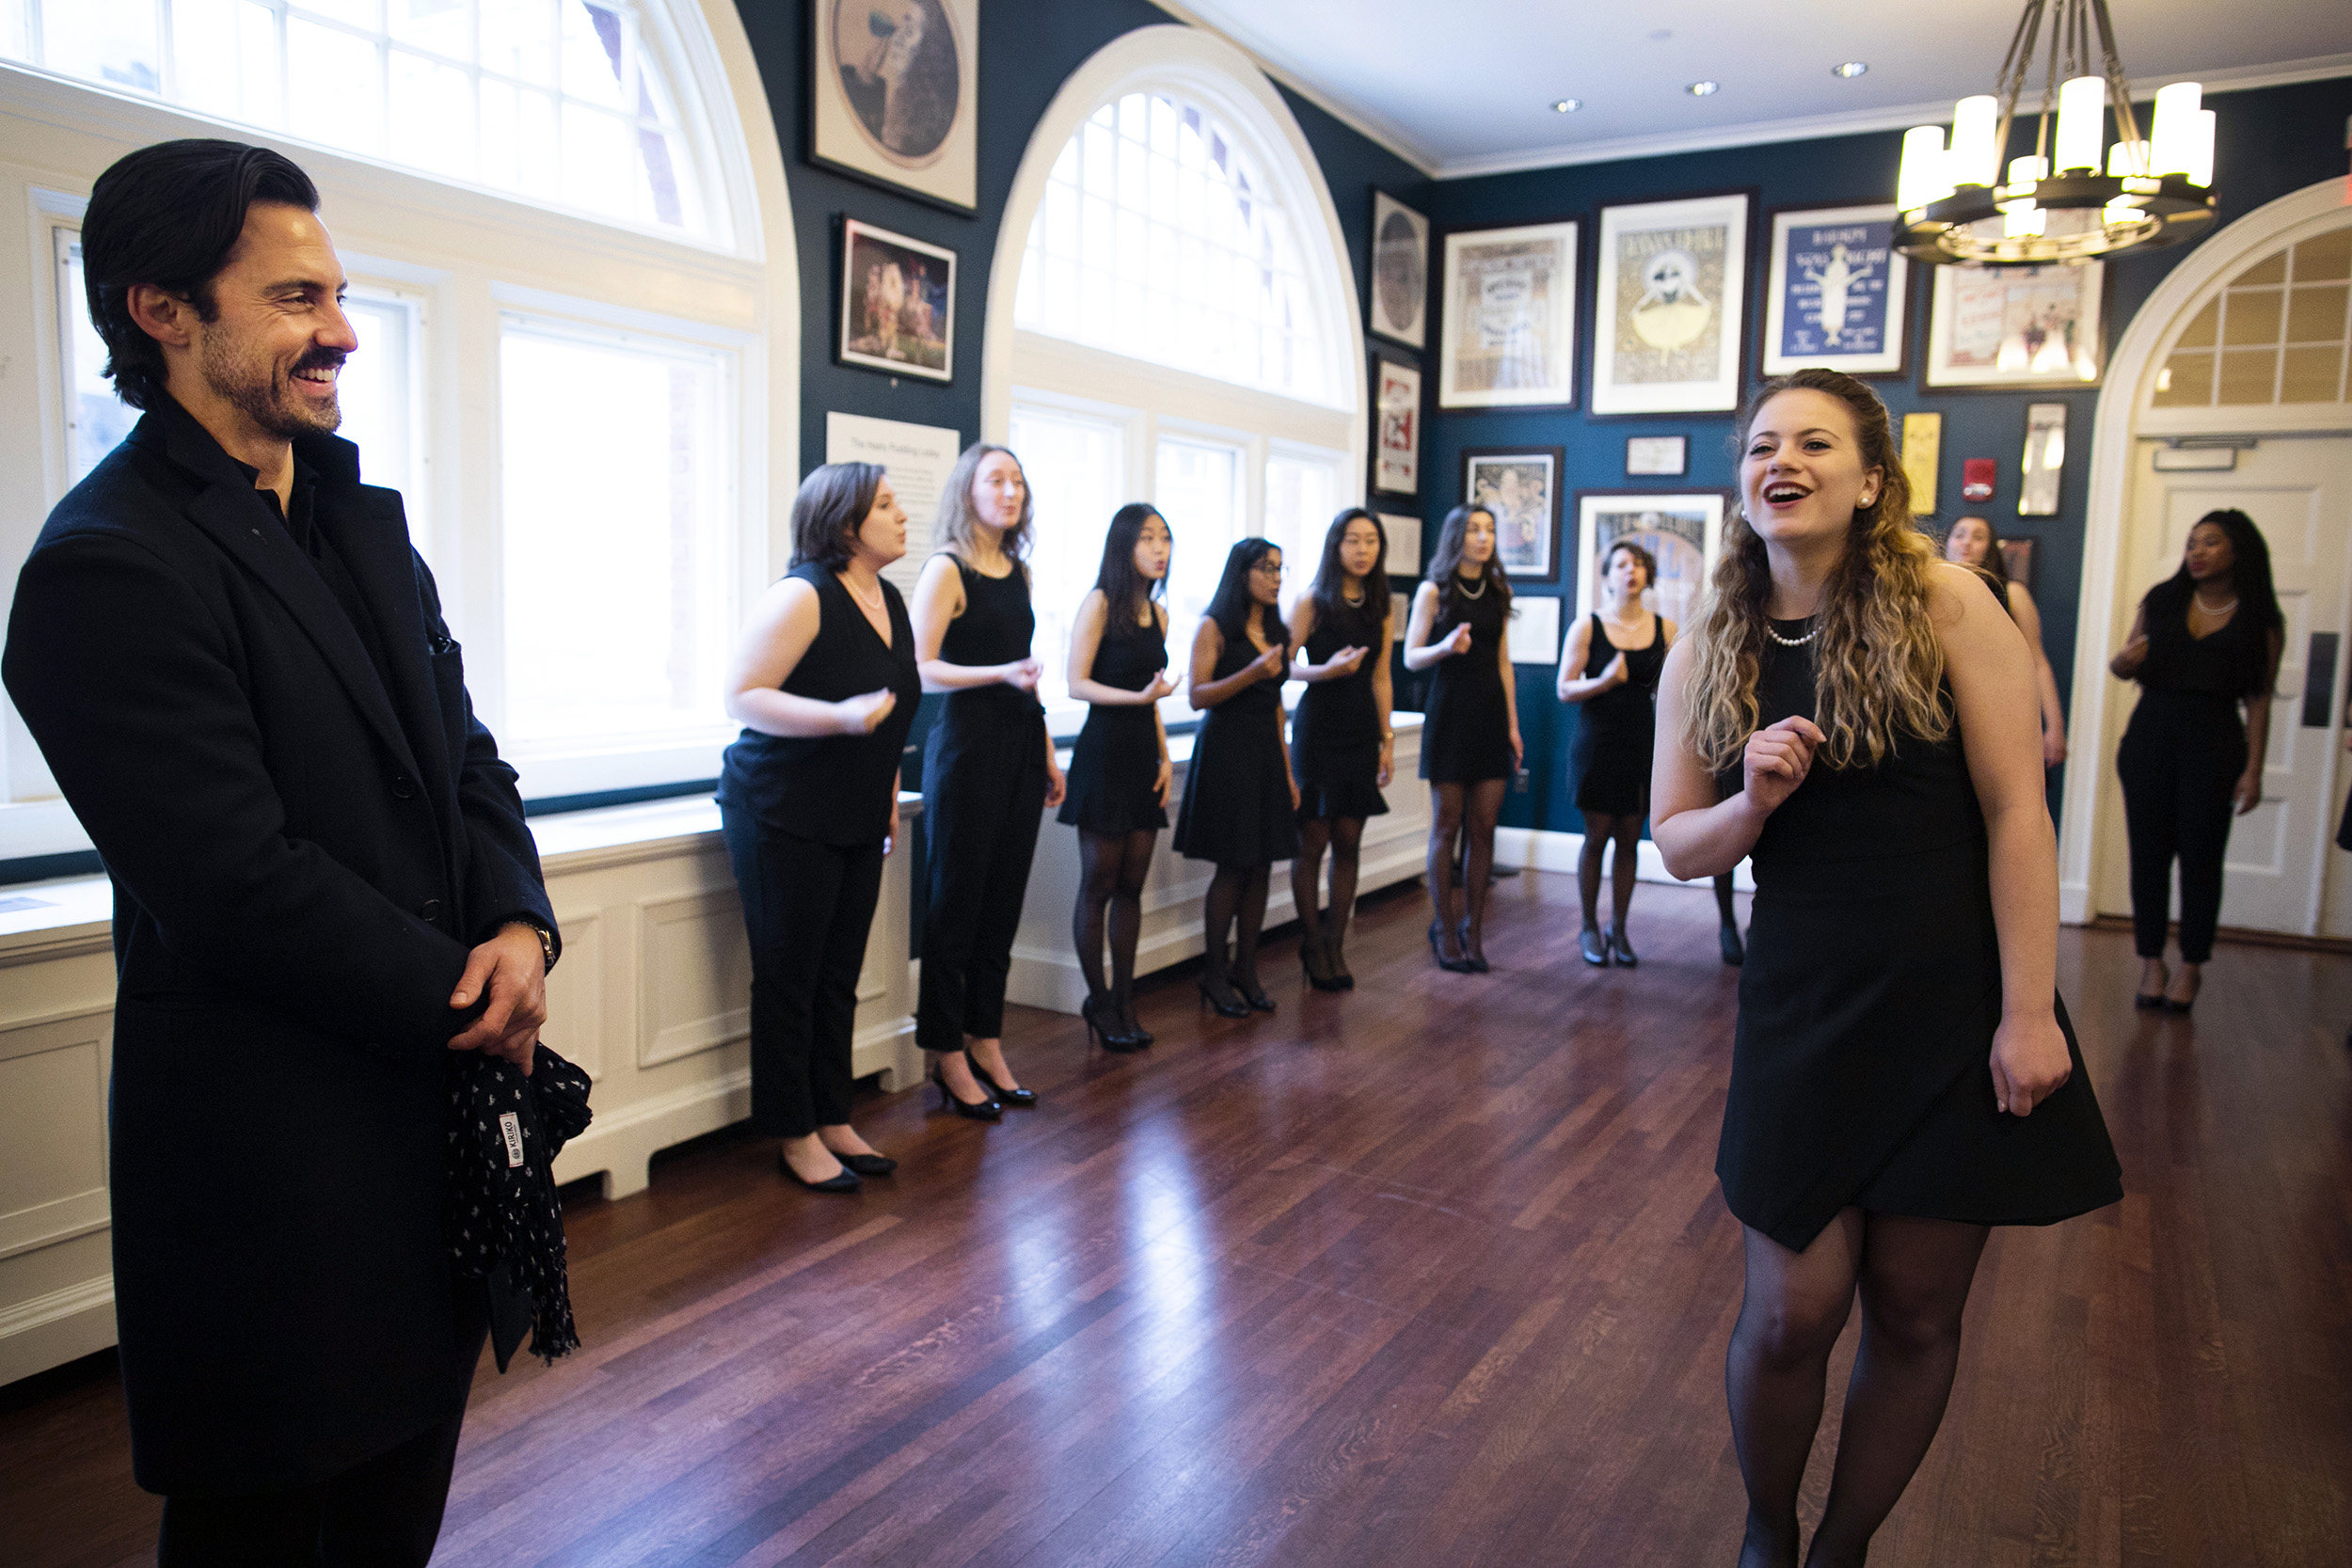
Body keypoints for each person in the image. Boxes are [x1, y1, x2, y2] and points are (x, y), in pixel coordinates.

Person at [2, 139, 559, 1564]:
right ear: (161, 310)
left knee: (396, 1512)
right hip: (272, 1166)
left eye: (340, 291)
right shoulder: (104, 563)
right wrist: (471, 995)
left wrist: (516, 919)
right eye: (295, 296)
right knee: (273, 1525)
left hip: (420, 1136)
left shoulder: (358, 519)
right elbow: (235, 883)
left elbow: (466, 751)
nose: (342, 330)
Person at [1650, 368, 2122, 1568]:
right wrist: (1750, 799)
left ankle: (1843, 1548)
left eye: (1814, 442)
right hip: (1803, 1003)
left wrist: (2029, 1013)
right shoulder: (1707, 634)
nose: (1782, 461)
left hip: (1953, 1001)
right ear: (1744, 479)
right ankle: (1769, 1528)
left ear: (1870, 480)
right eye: (1762, 444)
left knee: (1915, 1307)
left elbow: (2020, 812)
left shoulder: (1952, 603)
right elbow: (1676, 840)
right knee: (1792, 1306)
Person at [717, 463, 921, 1193]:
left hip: (859, 809)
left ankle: (833, 1114)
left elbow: (892, 708)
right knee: (789, 976)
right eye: (887, 506)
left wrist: (890, 786)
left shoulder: (890, 597)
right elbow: (741, 696)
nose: (903, 516)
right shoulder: (802, 595)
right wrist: (836, 719)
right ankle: (793, 1130)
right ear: (843, 525)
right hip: (781, 811)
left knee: (840, 972)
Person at [911, 443, 1065, 1117]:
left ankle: (987, 1039)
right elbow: (920, 667)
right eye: (995, 479)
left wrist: (1049, 752)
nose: (1009, 491)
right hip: (966, 746)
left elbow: (1026, 672)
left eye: (1018, 481)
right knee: (957, 904)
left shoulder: (1018, 571)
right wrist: (997, 674)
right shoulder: (947, 568)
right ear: (967, 491)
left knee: (1001, 902)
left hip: (1021, 742)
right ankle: (945, 1053)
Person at [2107, 508, 2285, 1012]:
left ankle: (2191, 966)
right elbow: (2125, 661)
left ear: (2238, 551)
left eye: (2210, 543)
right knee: (2148, 855)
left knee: (2202, 859)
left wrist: (2254, 770)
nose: (2197, 553)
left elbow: (2260, 699)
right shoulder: (2163, 600)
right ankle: (2150, 962)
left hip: (2215, 743)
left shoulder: (2260, 619)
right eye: (2191, 544)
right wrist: (2122, 663)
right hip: (2150, 738)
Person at [1061, 504, 1179, 1051]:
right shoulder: (1099, 602)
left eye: (1166, 539)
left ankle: (1128, 999)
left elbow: (1153, 698)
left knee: (1132, 885)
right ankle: (1099, 1000)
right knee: (1100, 883)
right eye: (1149, 539)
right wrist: (1135, 699)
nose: (1160, 549)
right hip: (1103, 752)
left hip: (1140, 755)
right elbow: (1076, 684)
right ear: (1124, 545)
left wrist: (1165, 759)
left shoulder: (1161, 614)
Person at [1174, 538, 1297, 1016]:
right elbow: (1198, 696)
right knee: (1232, 867)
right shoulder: (1214, 626)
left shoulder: (1277, 629)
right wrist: (1250, 672)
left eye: (1280, 569)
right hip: (1227, 754)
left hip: (1266, 755)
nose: (1275, 578)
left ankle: (1247, 968)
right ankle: (1214, 973)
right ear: (1241, 572)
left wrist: (1288, 772)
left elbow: (1277, 709)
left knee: (1262, 864)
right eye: (1266, 568)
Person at [1403, 504, 1521, 973]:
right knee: (1447, 825)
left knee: (1483, 827)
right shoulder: (1434, 591)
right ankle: (1445, 928)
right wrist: (1445, 647)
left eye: (1490, 529)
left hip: (1490, 716)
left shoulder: (1498, 590)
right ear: (1457, 537)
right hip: (1449, 715)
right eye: (1474, 529)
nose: (1483, 537)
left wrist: (1512, 726)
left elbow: (1504, 662)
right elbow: (1411, 656)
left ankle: (1475, 929)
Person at [1287, 508, 1395, 990]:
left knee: (1349, 843)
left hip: (1360, 732)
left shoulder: (1381, 604)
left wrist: (1386, 739)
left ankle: (1335, 943)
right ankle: (1311, 943)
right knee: (1312, 843)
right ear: (1336, 546)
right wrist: (1324, 671)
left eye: (1371, 541)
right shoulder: (1312, 600)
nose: (1363, 549)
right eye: (1353, 541)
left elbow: (1382, 675)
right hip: (1317, 729)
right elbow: (1280, 666)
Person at [1557, 538, 1674, 967]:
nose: (1631, 571)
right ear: (1607, 577)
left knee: (1630, 839)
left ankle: (1619, 929)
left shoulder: (1666, 629)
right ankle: (1589, 926)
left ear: (1647, 575)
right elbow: (1564, 688)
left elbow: (1672, 692)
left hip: (1642, 746)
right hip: (1598, 745)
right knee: (1596, 837)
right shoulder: (1588, 626)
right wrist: (1605, 681)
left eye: (1638, 564)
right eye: (1621, 564)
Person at [1944, 515, 2067, 767]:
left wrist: (2055, 727)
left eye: (1978, 537)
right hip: (1941, 717)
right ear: (1946, 543)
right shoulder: (1926, 591)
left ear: (1990, 548)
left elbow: (2037, 661)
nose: (1966, 542)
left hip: (2000, 714)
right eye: (1959, 535)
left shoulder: (2012, 594)